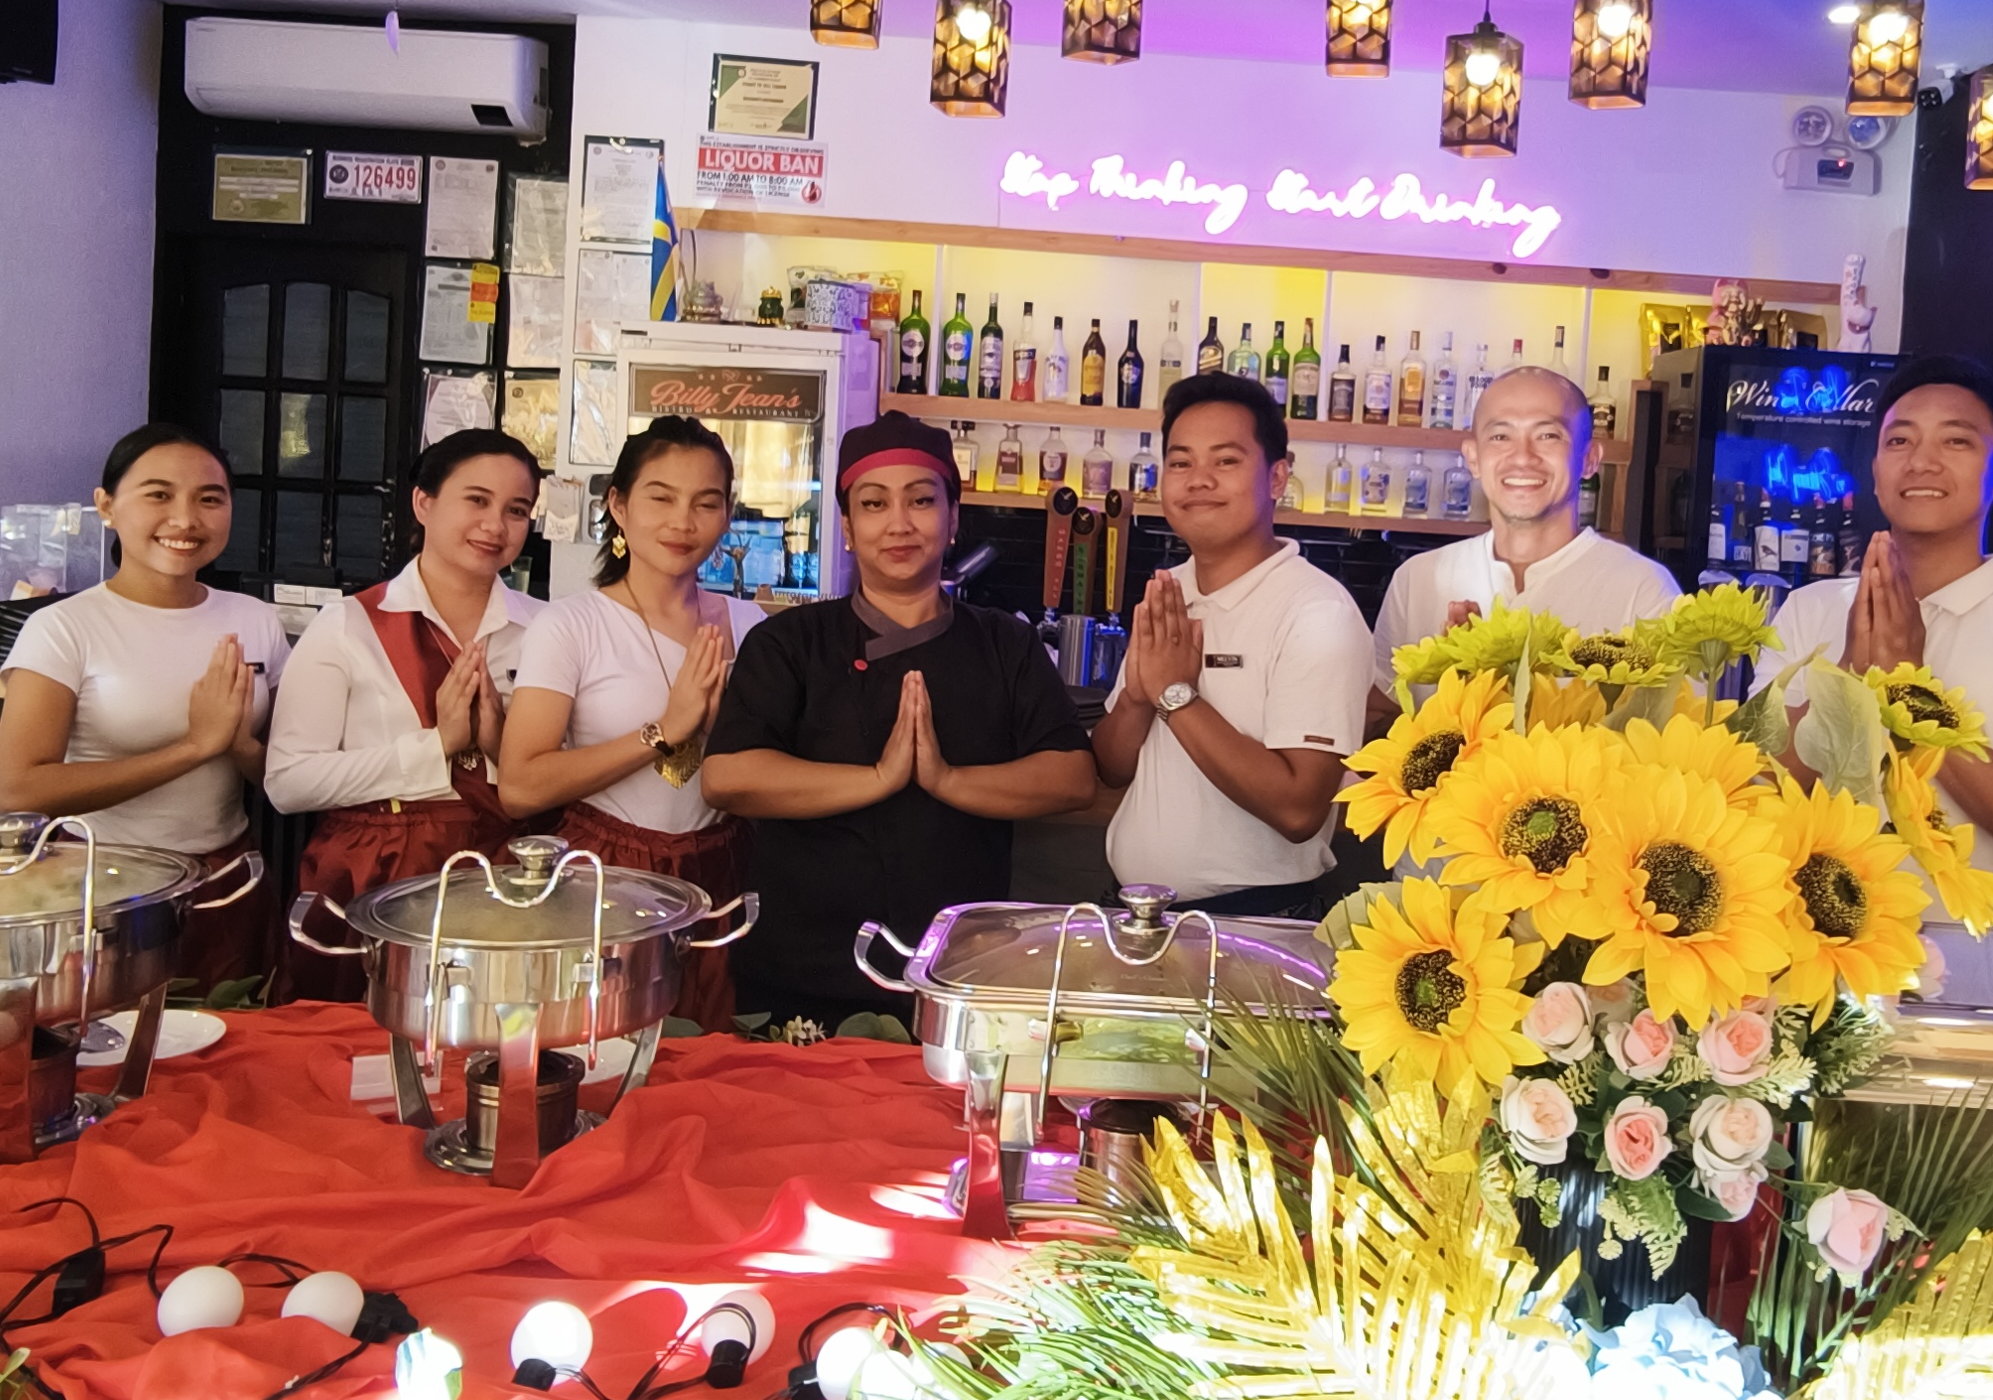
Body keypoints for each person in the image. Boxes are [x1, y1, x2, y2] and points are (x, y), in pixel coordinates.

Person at [702, 411, 1096, 1025]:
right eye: (874, 503)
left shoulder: (1005, 643)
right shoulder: (790, 642)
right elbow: (727, 776)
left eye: (921, 500)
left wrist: (946, 779)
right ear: (847, 527)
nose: (899, 523)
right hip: (803, 968)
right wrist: (878, 778)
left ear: (953, 518)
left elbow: (1072, 776)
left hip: (960, 970)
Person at [1763, 353, 1993, 918]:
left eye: (1956, 441)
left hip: (1977, 960)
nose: (1922, 461)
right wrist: (1849, 677)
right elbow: (1758, 786)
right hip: (1815, 949)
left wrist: (1907, 689)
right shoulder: (1808, 608)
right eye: (1900, 441)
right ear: (1875, 471)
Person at [0, 421, 288, 991]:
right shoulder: (62, 628)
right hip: (103, 892)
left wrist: (239, 745)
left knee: (230, 1036)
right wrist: (194, 747)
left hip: (228, 882)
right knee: (112, 1041)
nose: (185, 519)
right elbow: (19, 789)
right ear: (106, 506)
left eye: (209, 499)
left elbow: (285, 773)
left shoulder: (254, 620)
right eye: (159, 495)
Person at [265, 426, 542, 994]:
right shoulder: (347, 625)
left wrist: (498, 744)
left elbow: (563, 774)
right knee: (357, 1033)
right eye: (476, 500)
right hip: (373, 871)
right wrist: (436, 747)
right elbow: (288, 782)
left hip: (505, 874)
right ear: (423, 503)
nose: (496, 525)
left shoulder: (547, 628)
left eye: (516, 510)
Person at [498, 416, 754, 1028]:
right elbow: (521, 786)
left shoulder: (751, 627)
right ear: (617, 505)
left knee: (714, 1053)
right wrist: (663, 731)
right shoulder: (570, 626)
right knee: (607, 1045)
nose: (682, 522)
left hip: (725, 870)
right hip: (607, 874)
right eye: (661, 498)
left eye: (706, 503)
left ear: (727, 514)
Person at [1093, 371, 1374, 915]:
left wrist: (1175, 696)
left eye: (1225, 461)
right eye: (1180, 463)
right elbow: (1112, 769)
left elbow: (1299, 811)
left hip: (1253, 920)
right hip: (1137, 913)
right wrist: (1137, 698)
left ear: (1276, 478)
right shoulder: (1170, 592)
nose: (1198, 480)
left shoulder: (1317, 611)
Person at [1364, 364, 1677, 725]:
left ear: (1589, 459)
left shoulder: (1642, 590)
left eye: (1548, 436)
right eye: (1500, 436)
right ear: (1473, 458)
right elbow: (1382, 716)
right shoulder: (1417, 579)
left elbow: (1673, 734)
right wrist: (1457, 677)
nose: (1523, 457)